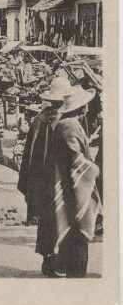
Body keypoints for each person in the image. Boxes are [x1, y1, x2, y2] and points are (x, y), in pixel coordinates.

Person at [44, 85, 102, 277]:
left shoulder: (69, 123)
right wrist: (92, 168)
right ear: (81, 107)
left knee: (73, 234)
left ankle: (69, 269)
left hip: (69, 185)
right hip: (71, 187)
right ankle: (74, 274)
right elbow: (73, 158)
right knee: (77, 234)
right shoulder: (69, 125)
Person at [17, 77, 71, 276]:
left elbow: (30, 154)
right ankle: (60, 262)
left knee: (47, 219)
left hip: (42, 180)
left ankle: (48, 259)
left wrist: (30, 182)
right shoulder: (68, 121)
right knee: (63, 218)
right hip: (61, 179)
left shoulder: (39, 120)